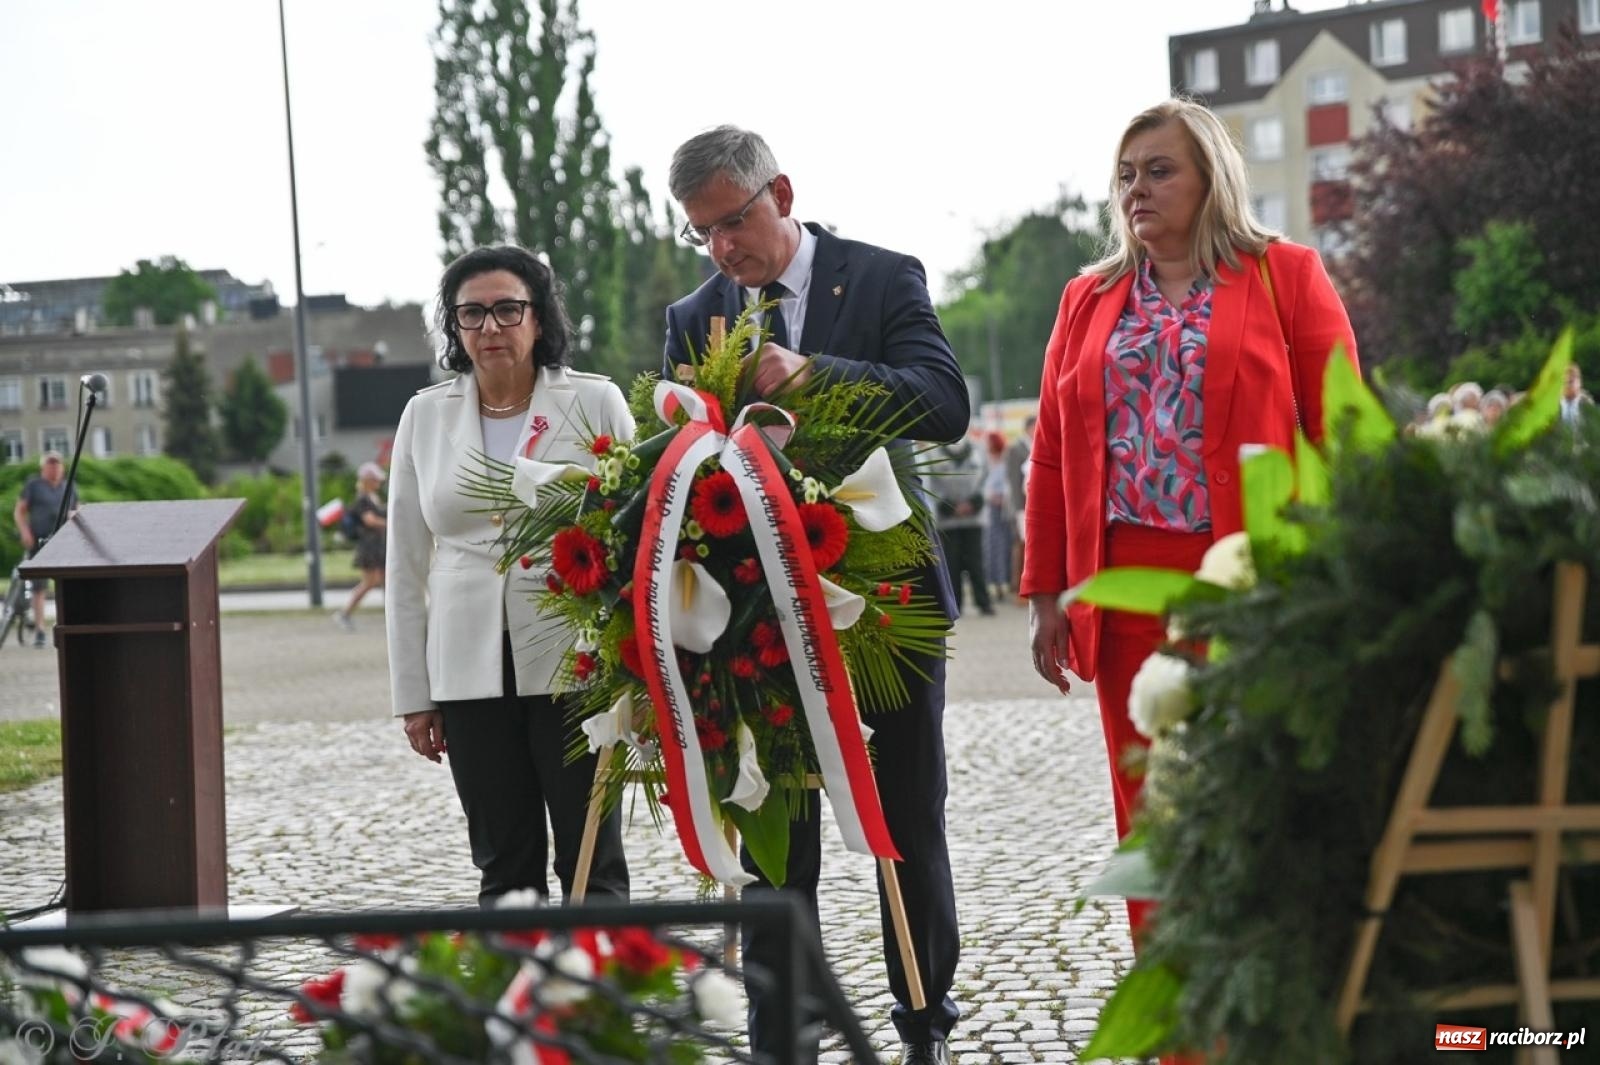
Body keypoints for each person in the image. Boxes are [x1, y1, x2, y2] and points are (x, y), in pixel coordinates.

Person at [663, 125, 968, 1065]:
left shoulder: (881, 276)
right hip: (752, 610)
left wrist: (819, 375)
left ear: (782, 193)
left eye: (734, 220)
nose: (723, 248)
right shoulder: (695, 314)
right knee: (771, 819)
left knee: (905, 811)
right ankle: (779, 1023)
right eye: (702, 231)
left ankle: (923, 1007)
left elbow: (944, 404)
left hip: (883, 600)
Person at [1022, 99, 1359, 939]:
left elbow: (1342, 433)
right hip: (1123, 587)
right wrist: (1045, 593)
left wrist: (1333, 575)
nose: (1138, 188)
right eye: (1127, 175)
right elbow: (1054, 450)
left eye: (1160, 170)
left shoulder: (1287, 275)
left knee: (1262, 796)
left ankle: (1266, 1000)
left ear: (1212, 178)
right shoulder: (1085, 298)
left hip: (1250, 583)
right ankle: (1180, 1018)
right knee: (1153, 817)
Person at [387, 245, 634, 907]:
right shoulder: (425, 414)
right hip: (466, 667)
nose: (490, 328)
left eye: (507, 309)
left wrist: (636, 663)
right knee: (503, 862)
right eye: (472, 313)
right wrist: (415, 691)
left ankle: (599, 998)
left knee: (591, 857)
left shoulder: (596, 401)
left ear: (539, 317)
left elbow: (637, 531)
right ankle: (518, 1002)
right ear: (453, 326)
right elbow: (405, 560)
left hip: (574, 657)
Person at [11, 451, 76, 648]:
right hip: (39, 540)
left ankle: (68, 625)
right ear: (44, 467)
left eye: (57, 464)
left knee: (68, 584)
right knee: (39, 587)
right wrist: (24, 532)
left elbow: (76, 509)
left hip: (64, 541)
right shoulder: (34, 485)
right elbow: (20, 511)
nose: (54, 468)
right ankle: (40, 629)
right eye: (50, 464)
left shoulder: (69, 486)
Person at [928, 434, 994, 616]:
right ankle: (955, 604)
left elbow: (986, 479)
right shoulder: (932, 452)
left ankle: (984, 602)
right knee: (951, 563)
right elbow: (930, 484)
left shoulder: (978, 448)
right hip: (947, 519)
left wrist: (974, 503)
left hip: (974, 517)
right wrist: (949, 507)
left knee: (977, 562)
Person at [332, 462, 388, 631]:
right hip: (369, 547)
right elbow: (369, 520)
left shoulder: (372, 498)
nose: (378, 482)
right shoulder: (363, 499)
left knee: (386, 580)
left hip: (377, 545)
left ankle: (392, 615)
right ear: (367, 480)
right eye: (375, 479)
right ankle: (345, 613)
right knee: (370, 582)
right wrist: (390, 523)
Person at [981, 431, 1013, 603]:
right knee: (992, 547)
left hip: (1003, 508)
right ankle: (995, 582)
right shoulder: (986, 461)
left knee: (1003, 545)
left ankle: (1003, 581)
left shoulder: (1005, 460)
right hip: (991, 507)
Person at [1005, 415, 1035, 598]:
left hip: (1031, 504)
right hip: (1021, 505)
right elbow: (1014, 480)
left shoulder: (1034, 445)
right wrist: (1018, 508)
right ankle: (1018, 586)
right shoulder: (1016, 449)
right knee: (1021, 546)